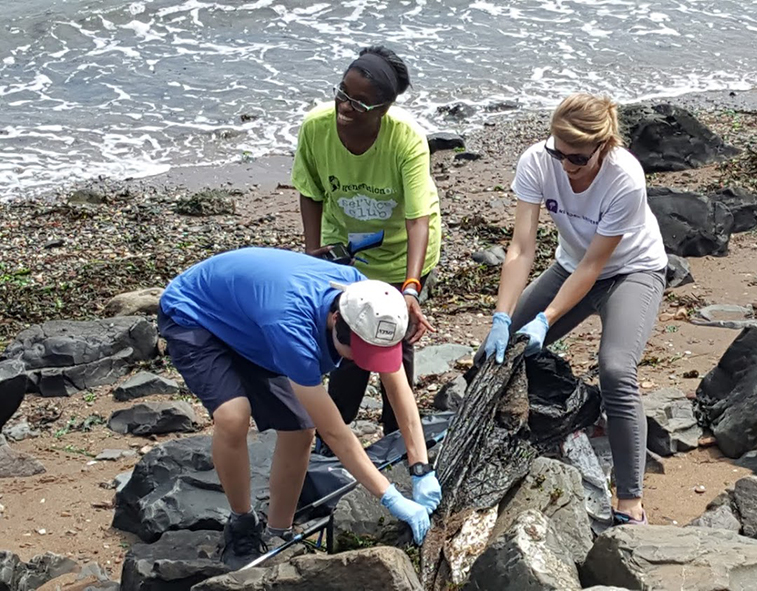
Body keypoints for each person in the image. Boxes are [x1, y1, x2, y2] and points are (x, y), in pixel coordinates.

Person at [158, 247, 442, 568]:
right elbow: (335, 432)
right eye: (358, 354)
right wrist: (391, 498)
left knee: (300, 429)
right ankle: (241, 523)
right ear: (335, 320)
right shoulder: (291, 327)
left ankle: (279, 533)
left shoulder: (369, 301)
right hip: (196, 316)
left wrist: (421, 469)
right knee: (233, 416)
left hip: (251, 324)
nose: (365, 364)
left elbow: (398, 386)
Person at [481, 93, 667, 525]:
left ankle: (630, 500)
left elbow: (594, 267)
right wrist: (503, 317)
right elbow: (522, 248)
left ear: (603, 146)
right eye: (558, 152)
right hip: (569, 265)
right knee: (496, 353)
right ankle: (494, 452)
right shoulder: (537, 160)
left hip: (631, 271)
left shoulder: (626, 177)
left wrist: (547, 321)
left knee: (617, 369)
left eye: (577, 158)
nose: (565, 165)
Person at [292, 45, 441, 436]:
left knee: (393, 335)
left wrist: (410, 287)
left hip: (401, 253)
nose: (346, 105)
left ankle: (398, 437)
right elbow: (310, 191)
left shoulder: (406, 140)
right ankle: (334, 430)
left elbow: (417, 219)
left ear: (384, 108)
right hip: (345, 252)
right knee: (348, 332)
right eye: (342, 92)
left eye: (361, 101)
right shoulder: (316, 127)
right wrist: (312, 253)